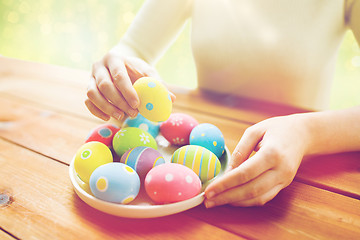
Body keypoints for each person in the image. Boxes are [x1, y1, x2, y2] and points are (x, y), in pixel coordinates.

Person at [85, 0, 360, 208]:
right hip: (211, 153)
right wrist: (116, 68)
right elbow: (134, 48)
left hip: (308, 178)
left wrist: (307, 132)